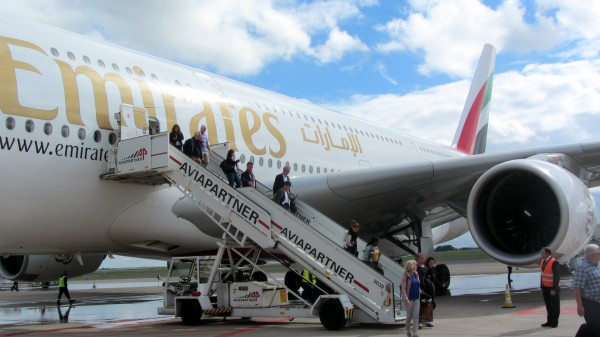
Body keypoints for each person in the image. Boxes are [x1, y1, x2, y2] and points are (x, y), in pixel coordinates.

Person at [573, 243, 600, 335]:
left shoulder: (596, 265)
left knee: (593, 327)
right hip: (589, 303)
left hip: (597, 302)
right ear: (592, 255)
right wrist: (579, 305)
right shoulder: (582, 267)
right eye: (599, 253)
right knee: (596, 328)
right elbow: (577, 287)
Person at [540, 247, 560, 328]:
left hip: (552, 288)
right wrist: (541, 287)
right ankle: (549, 321)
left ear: (547, 253)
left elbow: (556, 277)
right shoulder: (542, 261)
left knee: (555, 306)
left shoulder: (554, 262)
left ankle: (555, 322)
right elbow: (542, 275)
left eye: (543, 253)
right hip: (545, 287)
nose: (541, 254)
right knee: (548, 305)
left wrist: (554, 289)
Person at [401, 259, 421, 337]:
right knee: (409, 316)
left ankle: (415, 333)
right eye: (414, 265)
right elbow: (403, 288)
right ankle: (408, 330)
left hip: (416, 297)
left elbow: (417, 283)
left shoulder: (416, 274)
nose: (416, 266)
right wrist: (405, 298)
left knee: (416, 315)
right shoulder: (405, 275)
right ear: (410, 266)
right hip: (409, 298)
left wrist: (420, 290)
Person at [422, 257, 437, 327]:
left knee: (431, 305)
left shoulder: (433, 270)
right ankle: (426, 320)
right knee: (430, 305)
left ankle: (427, 320)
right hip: (427, 290)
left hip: (432, 290)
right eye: (431, 262)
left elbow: (435, 280)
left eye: (433, 263)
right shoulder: (426, 270)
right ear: (428, 262)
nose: (432, 264)